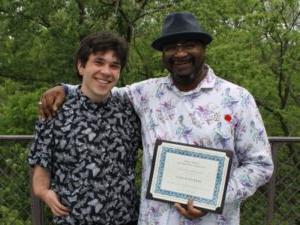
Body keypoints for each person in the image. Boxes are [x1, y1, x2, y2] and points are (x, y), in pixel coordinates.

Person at [39, 12, 274, 225]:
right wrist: (65, 89)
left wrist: (216, 196)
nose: (180, 53)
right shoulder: (146, 93)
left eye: (189, 45)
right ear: (164, 54)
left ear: (203, 48)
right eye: (172, 47)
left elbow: (260, 164)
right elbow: (100, 87)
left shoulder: (237, 98)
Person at [29, 31, 141, 225]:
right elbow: (41, 171)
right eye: (98, 62)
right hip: (73, 219)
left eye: (114, 66)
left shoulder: (129, 111)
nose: (106, 71)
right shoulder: (55, 110)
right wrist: (45, 194)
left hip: (125, 219)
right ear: (81, 66)